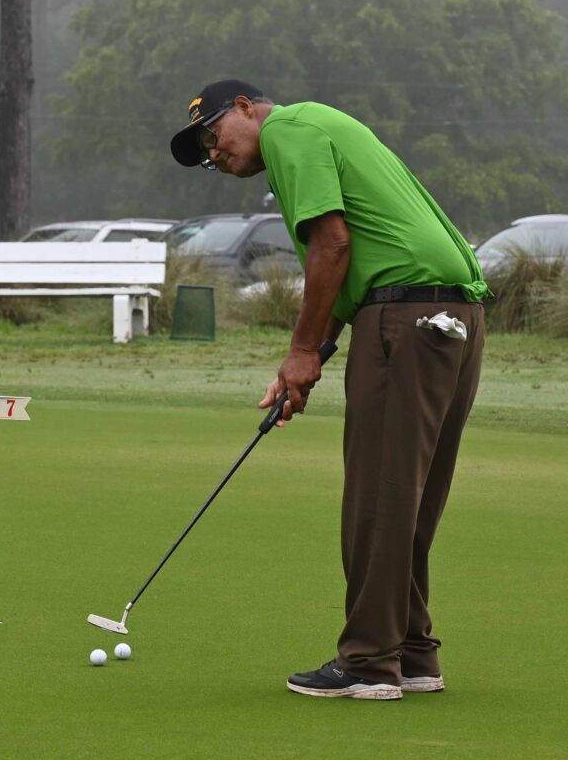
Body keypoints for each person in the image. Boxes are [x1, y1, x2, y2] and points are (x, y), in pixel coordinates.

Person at [168, 80, 489, 701]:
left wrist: (298, 351)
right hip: (453, 317)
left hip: (402, 319)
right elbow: (356, 258)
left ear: (246, 109)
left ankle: (369, 661)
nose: (214, 154)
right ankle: (411, 652)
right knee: (409, 498)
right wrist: (311, 353)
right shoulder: (322, 127)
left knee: (378, 496)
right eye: (205, 153)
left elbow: (333, 244)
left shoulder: (288, 131)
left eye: (213, 135)